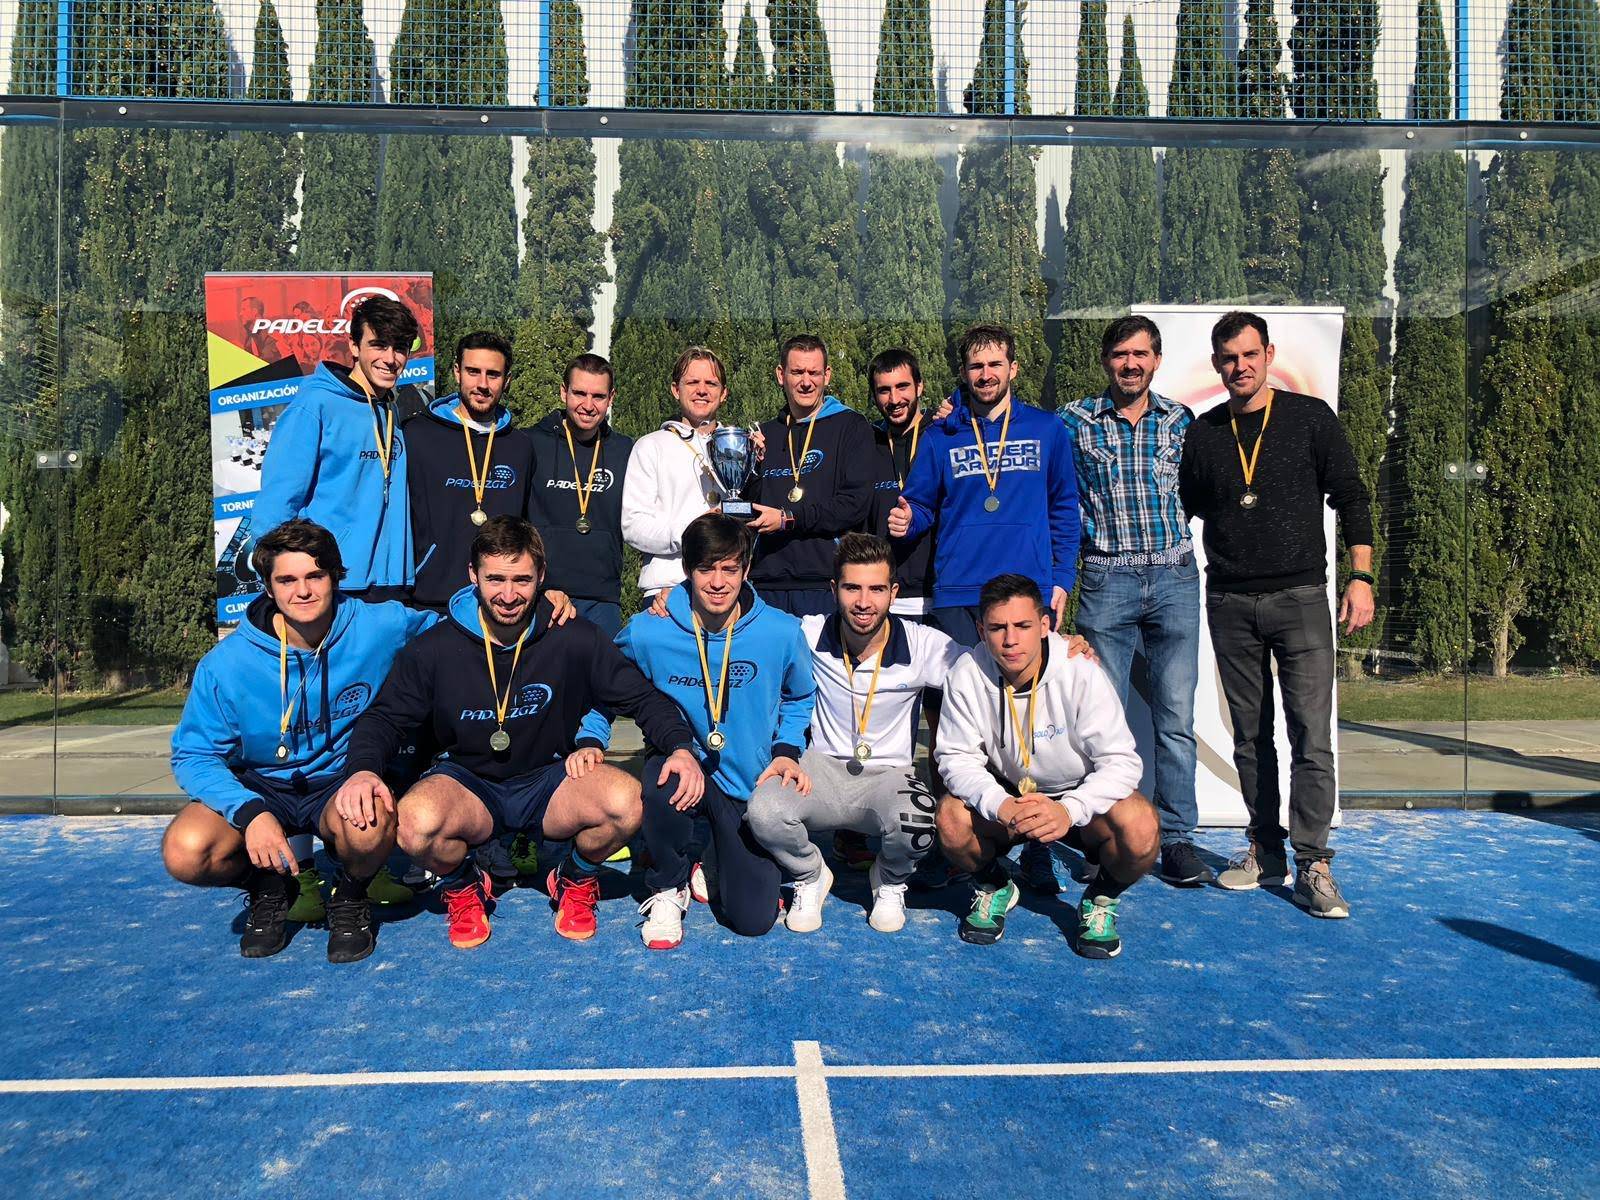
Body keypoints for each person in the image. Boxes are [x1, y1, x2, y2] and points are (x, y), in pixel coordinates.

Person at [336, 516, 702, 949]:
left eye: (522, 580)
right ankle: (463, 884)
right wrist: (363, 770)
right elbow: (384, 719)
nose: (508, 595)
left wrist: (679, 747)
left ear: (541, 576)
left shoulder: (573, 636)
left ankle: (575, 876)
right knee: (413, 824)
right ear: (473, 575)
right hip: (469, 783)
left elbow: (641, 698)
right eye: (495, 579)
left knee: (626, 803)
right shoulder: (434, 648)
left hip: (549, 780)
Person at [163, 520, 437, 962]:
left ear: (336, 577)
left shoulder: (378, 625)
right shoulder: (225, 664)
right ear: (269, 588)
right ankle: (269, 887)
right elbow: (194, 755)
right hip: (260, 784)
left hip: (337, 781)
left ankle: (350, 896)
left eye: (315, 576)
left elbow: (456, 623)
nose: (303, 591)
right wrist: (249, 812)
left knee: (373, 822)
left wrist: (543, 599)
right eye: (287, 580)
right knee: (186, 851)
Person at [1180, 310, 1374, 919]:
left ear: (1269, 354)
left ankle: (1313, 862)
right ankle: (1265, 851)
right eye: (1228, 358)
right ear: (1217, 365)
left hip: (1301, 598)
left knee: (1311, 736)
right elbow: (1186, 506)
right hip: (1230, 601)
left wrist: (1361, 577)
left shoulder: (1310, 418)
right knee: (1250, 736)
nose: (1240, 366)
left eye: (1249, 354)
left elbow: (1352, 496)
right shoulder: (1205, 433)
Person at [744, 534, 962, 934]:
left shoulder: (923, 643)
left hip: (887, 776)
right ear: (834, 590)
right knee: (763, 811)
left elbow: (988, 667)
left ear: (893, 593)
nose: (864, 602)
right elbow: (741, 620)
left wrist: (1059, 646)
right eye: (852, 588)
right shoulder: (808, 633)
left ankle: (890, 879)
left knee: (919, 822)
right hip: (819, 771)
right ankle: (810, 875)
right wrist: (674, 600)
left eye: (876, 589)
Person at [1059, 315, 1210, 888]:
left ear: (1156, 360)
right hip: (1107, 579)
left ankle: (1177, 838)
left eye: (1140, 354)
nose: (1130, 363)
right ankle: (1103, 834)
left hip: (1174, 577)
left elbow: (1197, 492)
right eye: (1121, 354)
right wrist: (950, 409)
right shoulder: (1073, 421)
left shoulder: (1180, 420)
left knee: (1175, 719)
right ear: (1106, 361)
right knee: (1100, 720)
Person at [618, 514, 816, 949]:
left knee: (753, 920)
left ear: (747, 569)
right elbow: (610, 681)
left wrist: (786, 750)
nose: (718, 582)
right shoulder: (650, 630)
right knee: (664, 783)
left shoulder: (781, 631)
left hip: (747, 782)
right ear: (687, 569)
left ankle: (713, 857)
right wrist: (591, 739)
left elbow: (801, 696)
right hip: (683, 762)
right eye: (706, 568)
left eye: (730, 569)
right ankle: (667, 886)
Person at [935, 575, 1157, 957]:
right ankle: (994, 886)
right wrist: (999, 803)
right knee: (951, 819)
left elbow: (1121, 761)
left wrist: (1069, 810)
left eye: (1022, 626)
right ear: (981, 631)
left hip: (1077, 795)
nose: (1010, 640)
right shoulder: (966, 673)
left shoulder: (1080, 669)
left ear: (1043, 625)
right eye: (997, 628)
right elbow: (955, 758)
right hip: (1009, 795)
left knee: (1141, 825)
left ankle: (1100, 899)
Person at [889, 323, 1081, 646]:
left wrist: (1062, 577)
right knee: (964, 680)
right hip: (959, 591)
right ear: (963, 373)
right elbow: (920, 504)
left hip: (1027, 589)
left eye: (995, 364)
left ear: (1013, 368)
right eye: (976, 366)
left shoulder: (1047, 429)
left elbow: (1063, 507)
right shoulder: (940, 436)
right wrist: (908, 520)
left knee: (1024, 680)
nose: (986, 374)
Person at [252, 294, 420, 603]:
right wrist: (279, 577)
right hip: (334, 581)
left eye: (399, 348)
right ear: (354, 346)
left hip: (393, 582)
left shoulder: (391, 409)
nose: (390, 358)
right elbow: (278, 501)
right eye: (378, 345)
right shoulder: (315, 405)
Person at [744, 335, 876, 618]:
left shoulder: (851, 426)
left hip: (825, 582)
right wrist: (752, 466)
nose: (806, 382)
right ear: (781, 375)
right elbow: (750, 506)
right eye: (797, 372)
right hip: (767, 582)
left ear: (826, 375)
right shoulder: (765, 434)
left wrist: (789, 518)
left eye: (813, 373)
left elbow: (854, 504)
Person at [405, 331, 535, 612]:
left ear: (507, 380)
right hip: (429, 599)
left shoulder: (520, 446)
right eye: (473, 371)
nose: (482, 384)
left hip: (499, 601)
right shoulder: (416, 435)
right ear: (457, 372)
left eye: (493, 374)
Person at [527, 354, 634, 641]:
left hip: (602, 597)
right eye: (579, 393)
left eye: (598, 396)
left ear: (611, 398)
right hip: (543, 592)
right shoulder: (531, 443)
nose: (588, 405)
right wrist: (533, 585)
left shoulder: (625, 450)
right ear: (564, 392)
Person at [621, 347, 735, 601]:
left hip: (728, 587)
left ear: (724, 393)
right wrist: (692, 532)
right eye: (692, 382)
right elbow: (633, 526)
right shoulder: (650, 445)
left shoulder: (739, 446)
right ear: (676, 389)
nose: (702, 390)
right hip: (669, 587)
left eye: (711, 383)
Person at [865, 349, 946, 620]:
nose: (894, 399)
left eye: (902, 387)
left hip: (940, 592)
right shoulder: (867, 442)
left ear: (920, 386)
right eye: (884, 390)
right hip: (883, 594)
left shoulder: (944, 433)